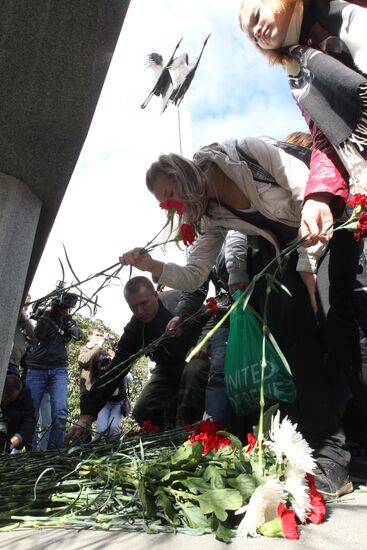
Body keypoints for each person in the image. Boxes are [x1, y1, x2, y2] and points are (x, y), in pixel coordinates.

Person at [118, 138, 358, 499]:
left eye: (170, 192)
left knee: (341, 328)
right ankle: (331, 458)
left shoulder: (241, 153)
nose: (172, 205)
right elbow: (195, 274)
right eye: (163, 202)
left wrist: (308, 268)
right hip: (293, 254)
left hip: (331, 227)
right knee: (296, 342)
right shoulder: (212, 215)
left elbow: (305, 189)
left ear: (182, 170)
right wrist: (151, 265)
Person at [238, 0, 367, 243]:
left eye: (256, 16)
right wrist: (317, 196)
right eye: (253, 38)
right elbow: (326, 139)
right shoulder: (299, 78)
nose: (256, 33)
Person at [67, 276, 209, 440]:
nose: (140, 311)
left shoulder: (178, 301)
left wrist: (203, 343)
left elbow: (211, 317)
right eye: (133, 306)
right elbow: (117, 369)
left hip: (197, 358)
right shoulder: (135, 329)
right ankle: (164, 441)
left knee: (194, 370)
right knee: (143, 410)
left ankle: (187, 437)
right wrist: (87, 415)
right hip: (166, 369)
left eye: (144, 303)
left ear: (155, 295)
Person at [26, 292, 83, 449]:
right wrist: (46, 314)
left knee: (60, 412)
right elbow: (38, 335)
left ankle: (53, 451)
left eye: (68, 307)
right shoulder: (45, 316)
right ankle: (30, 453)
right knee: (31, 412)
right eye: (64, 305)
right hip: (37, 368)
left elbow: (79, 335)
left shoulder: (68, 321)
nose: (66, 308)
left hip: (58, 369)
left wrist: (69, 321)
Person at [78, 328, 131, 440]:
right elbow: (83, 361)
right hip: (88, 391)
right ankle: (84, 449)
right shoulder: (84, 349)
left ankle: (110, 450)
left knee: (112, 428)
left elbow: (120, 361)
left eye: (101, 335)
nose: (99, 337)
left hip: (105, 395)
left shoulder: (106, 351)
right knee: (86, 424)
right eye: (97, 335)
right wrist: (97, 347)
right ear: (89, 336)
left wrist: (114, 344)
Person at [1, 374, 36, 453]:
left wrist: (19, 436)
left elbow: (29, 420)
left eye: (10, 400)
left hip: (12, 432)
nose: (6, 403)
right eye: (5, 399)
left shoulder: (25, 395)